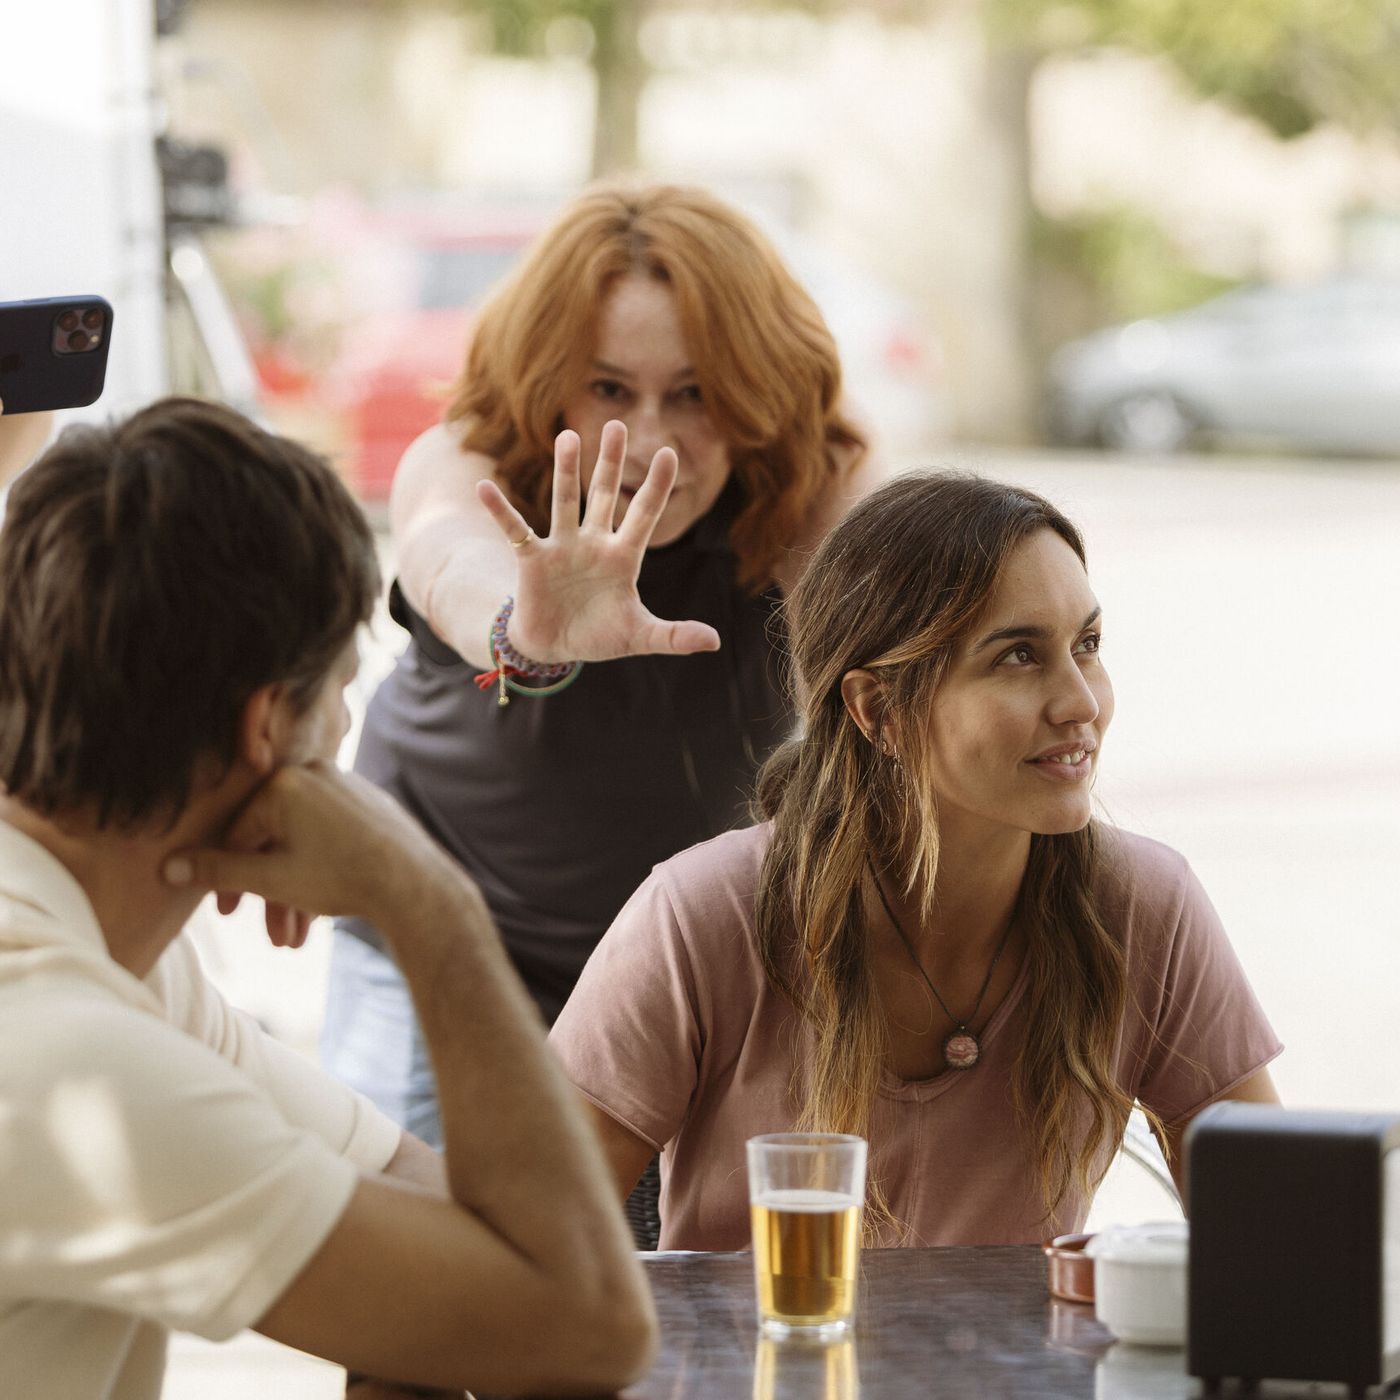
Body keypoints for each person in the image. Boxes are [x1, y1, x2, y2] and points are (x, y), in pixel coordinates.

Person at [0, 398, 654, 1399]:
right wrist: (429, 901)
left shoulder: (114, 958)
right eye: (343, 686)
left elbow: (440, 1210)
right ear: (267, 726)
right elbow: (586, 1325)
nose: (346, 727)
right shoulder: (68, 1054)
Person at [321, 181, 880, 1207]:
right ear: (548, 382)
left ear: (756, 388)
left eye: (695, 394)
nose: (653, 439)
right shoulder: (469, 457)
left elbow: (883, 637)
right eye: (610, 389)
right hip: (436, 943)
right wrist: (524, 633)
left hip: (675, 969)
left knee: (649, 1275)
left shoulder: (814, 476)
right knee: (420, 1257)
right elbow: (449, 559)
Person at [549, 470, 1283, 1250]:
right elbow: (530, 1239)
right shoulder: (700, 916)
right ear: (877, 709)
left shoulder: (1143, 906)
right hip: (763, 1339)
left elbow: (1277, 1237)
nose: (1082, 703)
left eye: (1088, 646)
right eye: (1018, 656)